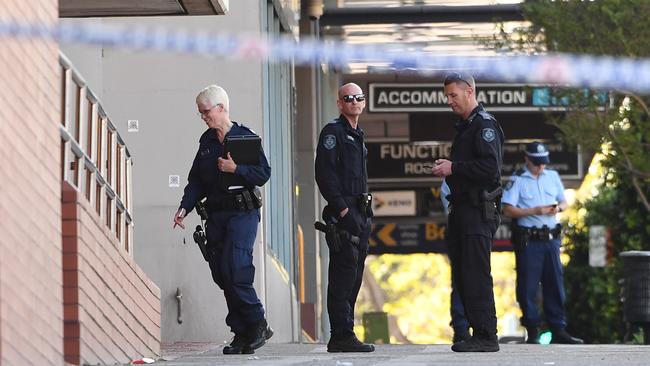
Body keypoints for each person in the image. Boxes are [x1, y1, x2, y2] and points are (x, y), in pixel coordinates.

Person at [172, 85, 273, 355]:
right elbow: (196, 181)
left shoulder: (246, 137)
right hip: (216, 216)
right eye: (201, 113)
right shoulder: (206, 143)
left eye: (206, 112)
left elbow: (263, 173)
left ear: (221, 108)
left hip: (242, 214)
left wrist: (235, 168)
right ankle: (241, 333)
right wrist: (184, 208)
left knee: (237, 268)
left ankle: (257, 323)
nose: (204, 117)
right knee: (222, 273)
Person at [432, 72, 504, 352]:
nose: (449, 101)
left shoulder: (484, 125)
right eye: (447, 96)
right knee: (463, 274)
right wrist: (451, 167)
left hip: (477, 209)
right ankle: (477, 332)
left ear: (470, 91)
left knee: (476, 272)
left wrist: (454, 168)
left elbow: (490, 169)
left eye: (453, 95)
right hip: (462, 210)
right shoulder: (465, 127)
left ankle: (487, 335)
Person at [501, 141, 584, 345]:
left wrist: (559, 208)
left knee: (555, 284)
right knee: (528, 286)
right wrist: (534, 211)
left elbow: (564, 201)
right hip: (529, 241)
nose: (541, 167)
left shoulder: (552, 176)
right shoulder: (517, 180)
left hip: (551, 240)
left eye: (543, 163)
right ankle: (533, 330)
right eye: (537, 163)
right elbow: (507, 209)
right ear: (527, 159)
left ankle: (559, 329)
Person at [315, 83, 375, 353]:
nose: (354, 101)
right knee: (342, 275)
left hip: (361, 215)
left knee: (354, 276)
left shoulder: (357, 134)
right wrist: (342, 211)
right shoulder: (333, 132)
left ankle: (346, 332)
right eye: (348, 98)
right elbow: (324, 175)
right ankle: (340, 334)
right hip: (344, 215)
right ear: (340, 103)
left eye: (359, 98)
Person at [440, 179, 471, 344]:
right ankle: (461, 329)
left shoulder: (482, 172)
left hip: (478, 229)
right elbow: (451, 209)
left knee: (479, 280)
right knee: (460, 280)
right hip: (459, 230)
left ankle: (480, 326)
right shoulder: (450, 179)